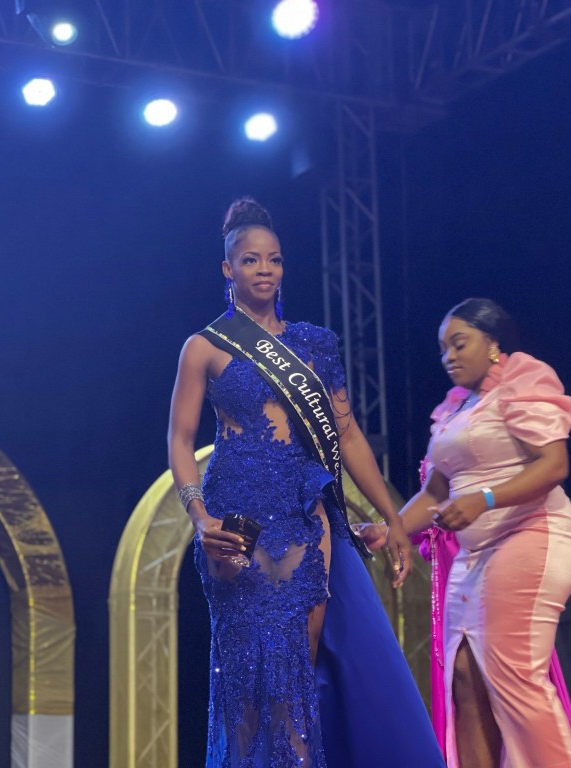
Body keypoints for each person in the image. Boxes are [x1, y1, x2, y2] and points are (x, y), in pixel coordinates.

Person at [167, 198, 444, 768]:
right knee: (245, 679)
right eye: (250, 260)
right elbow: (179, 439)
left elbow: (348, 434)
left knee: (296, 676)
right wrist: (200, 517)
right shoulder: (204, 347)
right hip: (236, 517)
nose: (264, 269)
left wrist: (393, 518)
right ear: (228, 269)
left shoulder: (316, 344)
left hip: (302, 512)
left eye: (274, 259)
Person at [359, 298, 571, 767]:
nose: (449, 357)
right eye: (443, 348)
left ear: (493, 343)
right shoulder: (455, 408)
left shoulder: (524, 381)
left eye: (459, 344)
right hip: (474, 557)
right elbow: (435, 493)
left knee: (513, 677)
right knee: (463, 676)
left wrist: (484, 499)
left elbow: (554, 464)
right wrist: (390, 529)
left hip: (531, 534)